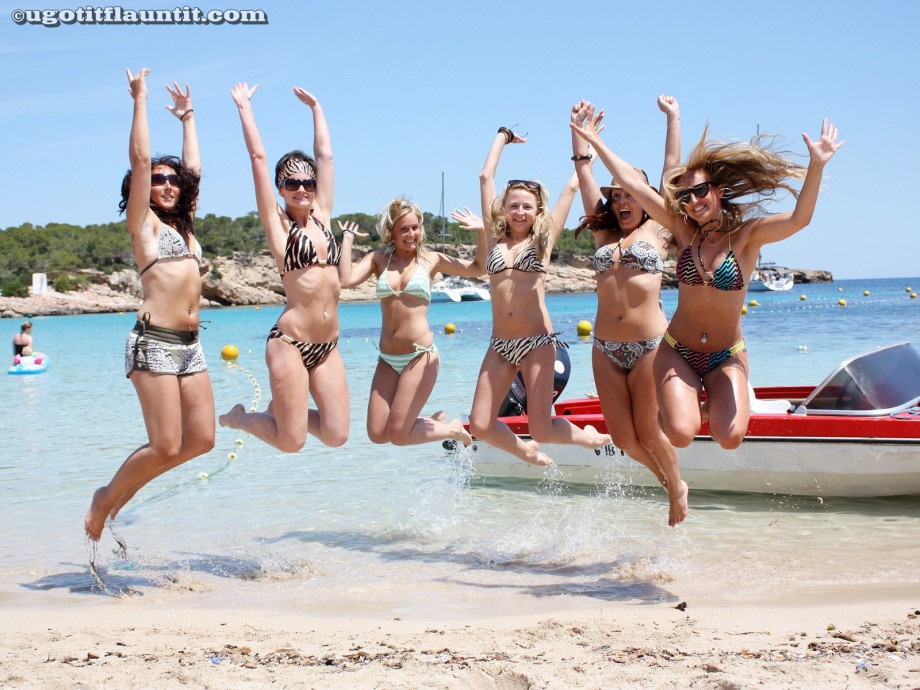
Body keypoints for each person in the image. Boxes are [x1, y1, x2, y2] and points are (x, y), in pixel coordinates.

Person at [572, 104, 843, 450]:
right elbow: (631, 185)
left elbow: (799, 219)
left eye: (701, 191)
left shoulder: (748, 237)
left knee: (729, 438)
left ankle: (694, 404)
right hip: (677, 350)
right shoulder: (682, 233)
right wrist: (593, 142)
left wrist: (816, 165)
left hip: (726, 354)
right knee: (681, 435)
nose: (693, 201)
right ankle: (677, 408)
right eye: (684, 197)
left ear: (720, 192)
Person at [85, 69, 215, 541]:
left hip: (191, 346)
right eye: (158, 179)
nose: (166, 183)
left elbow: (194, 171)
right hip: (154, 344)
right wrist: (139, 99)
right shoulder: (145, 226)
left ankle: (130, 483)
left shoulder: (185, 227)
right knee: (164, 443)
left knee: (200, 440)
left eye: (171, 180)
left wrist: (188, 117)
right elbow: (141, 158)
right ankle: (105, 497)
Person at [570, 97, 687, 525]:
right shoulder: (602, 232)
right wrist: (578, 131)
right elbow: (585, 173)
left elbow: (671, 172)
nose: (621, 200)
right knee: (623, 437)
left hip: (650, 344)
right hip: (605, 347)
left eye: (628, 193)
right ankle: (672, 485)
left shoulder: (658, 228)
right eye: (615, 195)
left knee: (651, 433)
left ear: (642, 197)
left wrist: (673, 119)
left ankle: (676, 489)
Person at [468, 126, 612, 467]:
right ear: (503, 208)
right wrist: (502, 136)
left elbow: (572, 186)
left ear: (537, 211)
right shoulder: (492, 236)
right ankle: (524, 451)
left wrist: (590, 145)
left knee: (542, 428)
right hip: (500, 344)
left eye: (527, 207)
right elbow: (485, 175)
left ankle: (587, 436)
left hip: (537, 343)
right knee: (480, 424)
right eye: (513, 206)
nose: (519, 212)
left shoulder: (542, 242)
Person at [219, 83, 349, 453]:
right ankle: (240, 417)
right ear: (280, 187)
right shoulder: (278, 225)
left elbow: (325, 157)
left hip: (328, 345)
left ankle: (283, 409)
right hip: (289, 343)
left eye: (308, 182)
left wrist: (317, 108)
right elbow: (258, 158)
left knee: (337, 435)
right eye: (292, 182)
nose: (302, 188)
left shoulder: (322, 216)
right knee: (291, 443)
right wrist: (244, 107)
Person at [339, 198, 487, 447]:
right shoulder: (378, 258)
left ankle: (451, 429)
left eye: (415, 227)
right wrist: (347, 238)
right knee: (377, 434)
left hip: (421, 356)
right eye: (404, 229)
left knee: (397, 435)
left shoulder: (431, 260)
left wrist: (482, 232)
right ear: (391, 232)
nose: (411, 234)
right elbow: (345, 280)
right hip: (387, 358)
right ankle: (432, 422)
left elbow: (479, 268)